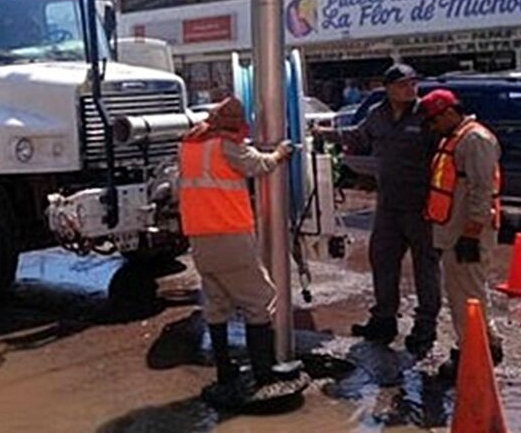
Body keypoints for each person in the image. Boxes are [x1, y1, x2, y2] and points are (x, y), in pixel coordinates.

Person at [314, 63, 440, 356]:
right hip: (388, 205)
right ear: (389, 88)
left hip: (422, 207)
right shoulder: (378, 115)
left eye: (413, 83)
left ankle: (425, 327)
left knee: (426, 268)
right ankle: (384, 320)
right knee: (382, 260)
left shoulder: (427, 115)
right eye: (404, 84)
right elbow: (357, 137)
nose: (411, 88)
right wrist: (325, 133)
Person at [179, 96, 294, 406]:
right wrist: (280, 153)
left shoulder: (190, 143)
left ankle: (225, 371)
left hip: (199, 236)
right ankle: (264, 373)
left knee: (216, 303)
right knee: (259, 299)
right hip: (228, 233)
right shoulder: (227, 145)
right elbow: (258, 165)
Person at [418, 89, 503, 379]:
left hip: (467, 234)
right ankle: (487, 345)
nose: (432, 127)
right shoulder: (457, 137)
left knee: (465, 297)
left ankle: (471, 356)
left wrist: (471, 232)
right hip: (457, 232)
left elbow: (482, 190)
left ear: (449, 112)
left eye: (433, 120)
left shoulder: (474, 140)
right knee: (472, 293)